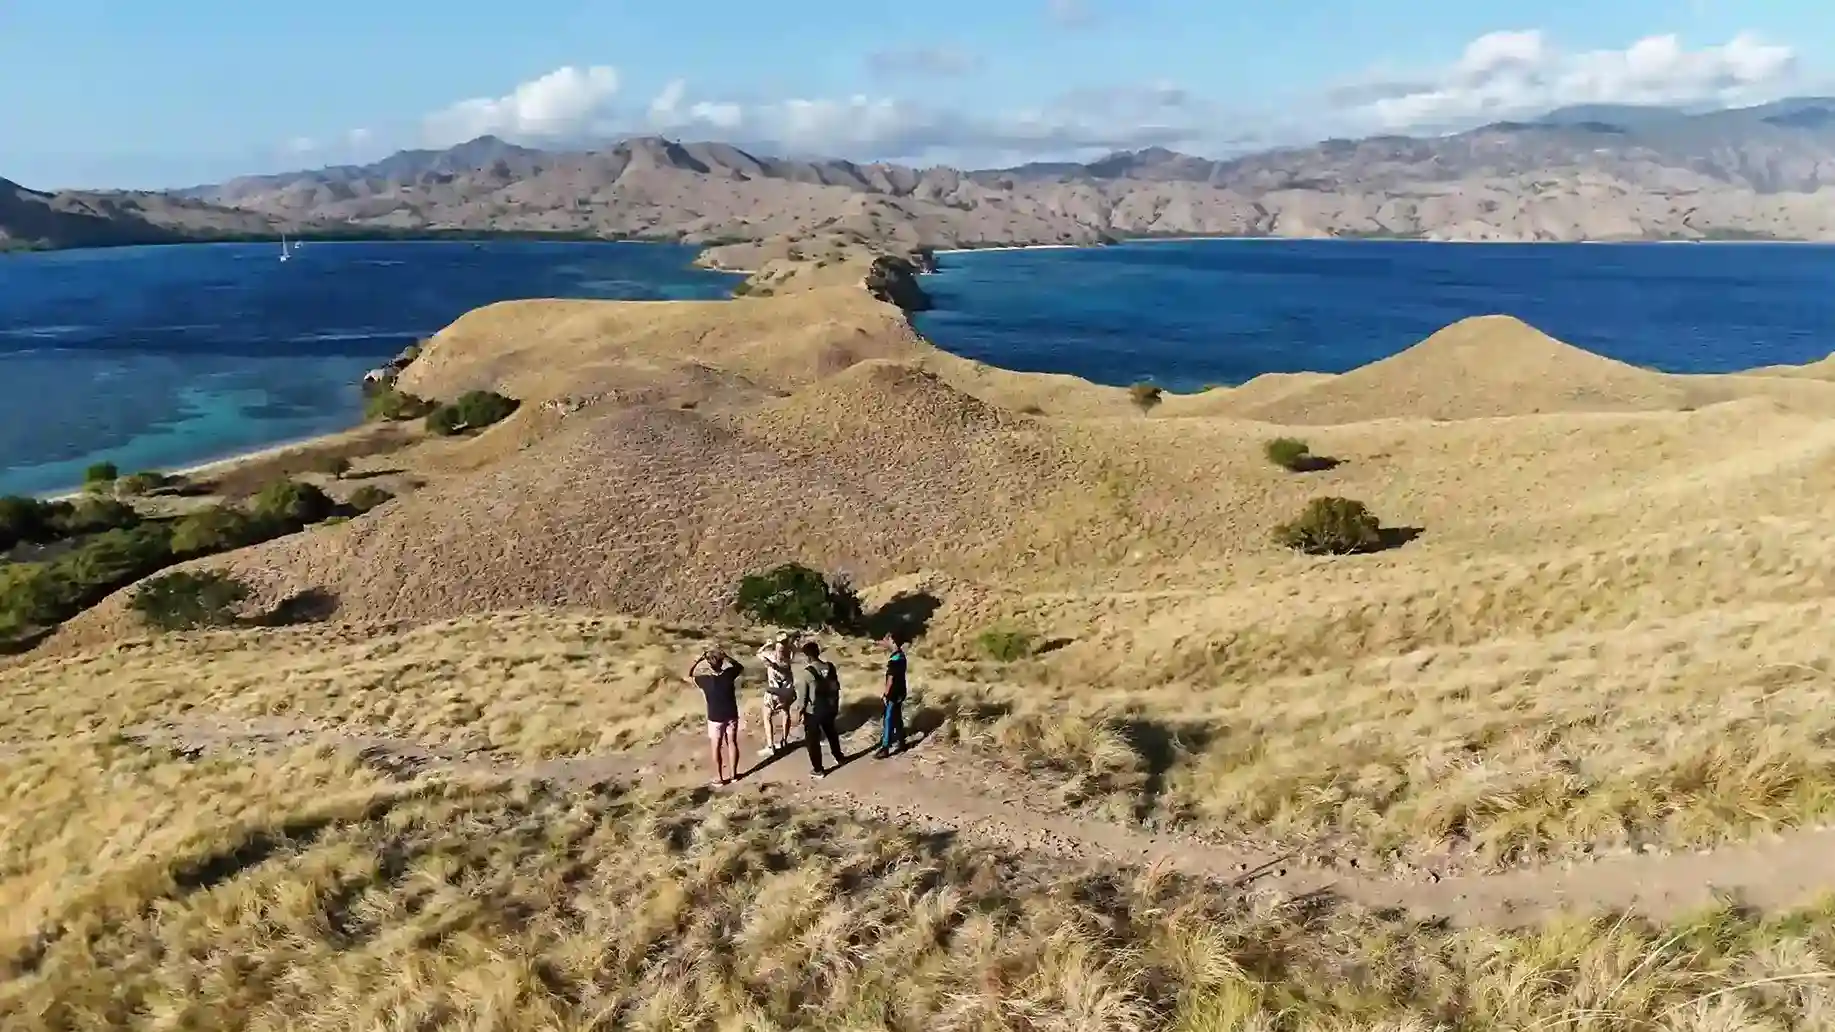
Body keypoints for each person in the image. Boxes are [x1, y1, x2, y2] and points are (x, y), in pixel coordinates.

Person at [684, 646, 744, 785]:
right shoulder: (729, 674)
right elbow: (739, 667)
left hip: (715, 717)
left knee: (716, 747)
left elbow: (688, 676)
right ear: (722, 662)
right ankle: (734, 775)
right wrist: (726, 656)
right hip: (731, 713)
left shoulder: (705, 680)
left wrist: (697, 661)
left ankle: (719, 778)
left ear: (709, 664)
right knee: (732, 743)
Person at [799, 640, 845, 778]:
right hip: (830, 707)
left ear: (807, 656)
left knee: (812, 741)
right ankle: (839, 757)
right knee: (831, 733)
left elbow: (803, 697)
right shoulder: (830, 667)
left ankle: (818, 769)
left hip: (814, 711)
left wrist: (800, 712)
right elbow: (836, 687)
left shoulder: (807, 673)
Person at [755, 632, 800, 756]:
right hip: (786, 692)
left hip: (773, 691)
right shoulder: (789, 655)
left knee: (767, 715)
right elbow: (794, 648)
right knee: (785, 712)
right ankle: (784, 740)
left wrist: (766, 645)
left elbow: (758, 654)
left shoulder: (771, 656)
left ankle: (770, 745)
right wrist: (791, 642)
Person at [876, 633, 910, 758]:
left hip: (893, 693)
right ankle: (901, 742)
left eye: (888, 640)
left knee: (888, 718)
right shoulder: (902, 656)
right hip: (901, 691)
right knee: (897, 717)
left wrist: (886, 694)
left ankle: (885, 747)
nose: (886, 642)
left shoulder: (894, 659)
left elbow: (890, 679)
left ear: (894, 642)